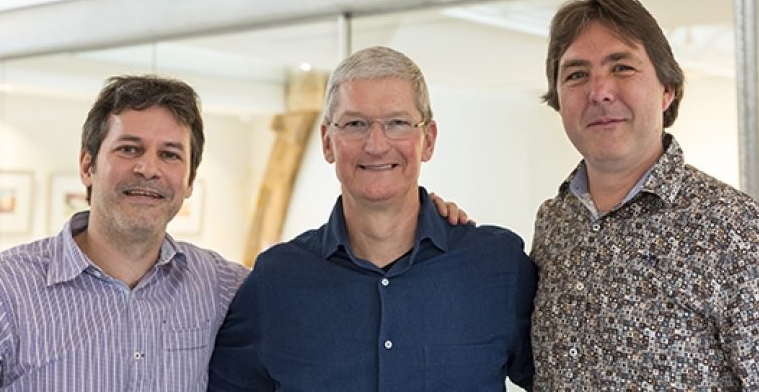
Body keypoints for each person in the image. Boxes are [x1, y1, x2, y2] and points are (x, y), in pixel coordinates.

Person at [208, 46, 537, 391]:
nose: (376, 145)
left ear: (428, 140)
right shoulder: (275, 280)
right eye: (355, 124)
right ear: (327, 142)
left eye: (397, 123)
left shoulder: (497, 266)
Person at [531, 0, 759, 389]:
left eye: (622, 68)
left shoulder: (735, 230)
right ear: (558, 100)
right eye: (576, 75)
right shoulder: (554, 224)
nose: (599, 92)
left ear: (667, 90)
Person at [0, 76, 249, 391]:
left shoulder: (222, 288)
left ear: (190, 180)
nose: (148, 168)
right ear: (87, 166)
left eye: (170, 155)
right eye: (129, 149)